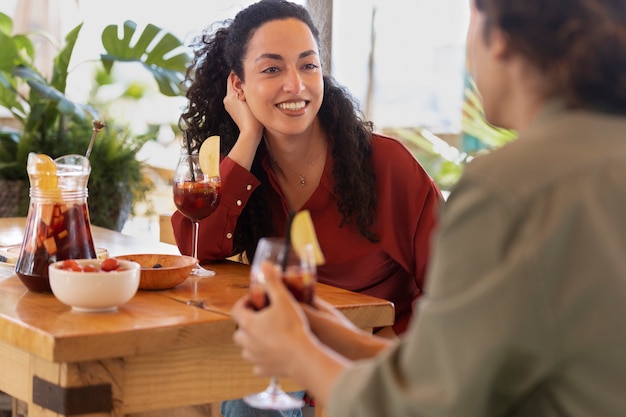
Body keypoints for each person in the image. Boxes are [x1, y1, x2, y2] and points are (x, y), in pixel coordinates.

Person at [230, 0, 626, 416]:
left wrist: (295, 352)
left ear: (500, 40)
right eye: (272, 69)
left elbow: (420, 406)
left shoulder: (507, 187)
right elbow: (467, 362)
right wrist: (335, 333)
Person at [170, 0, 443, 415]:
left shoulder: (388, 166)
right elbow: (198, 246)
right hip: (287, 361)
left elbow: (449, 293)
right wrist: (247, 138)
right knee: (245, 397)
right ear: (238, 87)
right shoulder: (247, 170)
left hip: (376, 369)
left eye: (308, 65)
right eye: (272, 69)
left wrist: (389, 347)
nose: (296, 85)